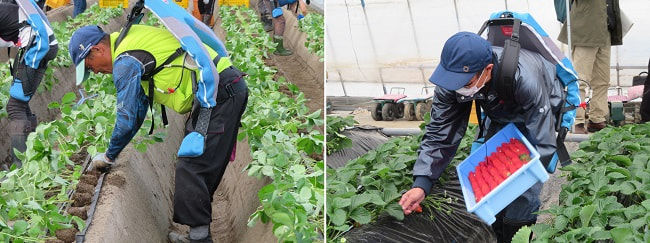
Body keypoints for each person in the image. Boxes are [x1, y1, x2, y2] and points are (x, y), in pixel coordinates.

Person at [68, 24, 248, 242]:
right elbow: (137, 110)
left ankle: (200, 239)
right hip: (215, 90)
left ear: (97, 50)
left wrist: (108, 156)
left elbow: (127, 119)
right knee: (199, 163)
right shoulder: (129, 44)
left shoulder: (126, 61)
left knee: (192, 164)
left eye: (89, 65)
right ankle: (197, 234)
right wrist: (113, 152)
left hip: (218, 92)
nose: (93, 71)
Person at [398, 32, 563, 243]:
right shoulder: (453, 82)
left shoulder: (524, 77)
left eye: (465, 83)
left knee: (524, 188)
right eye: (453, 81)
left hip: (542, 104)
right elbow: (440, 133)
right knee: (493, 170)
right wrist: (422, 184)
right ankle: (495, 231)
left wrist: (531, 170)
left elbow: (543, 139)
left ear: (488, 70)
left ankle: (518, 234)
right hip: (500, 106)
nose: (458, 87)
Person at [0, 0, 59, 170]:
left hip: (38, 45)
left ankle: (20, 168)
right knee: (20, 103)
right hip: (40, 42)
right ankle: (32, 156)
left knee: (14, 106)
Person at [558, 0, 622, 133]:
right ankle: (577, 120)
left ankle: (597, 118)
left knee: (602, 81)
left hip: (605, 31)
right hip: (585, 32)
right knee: (580, 80)